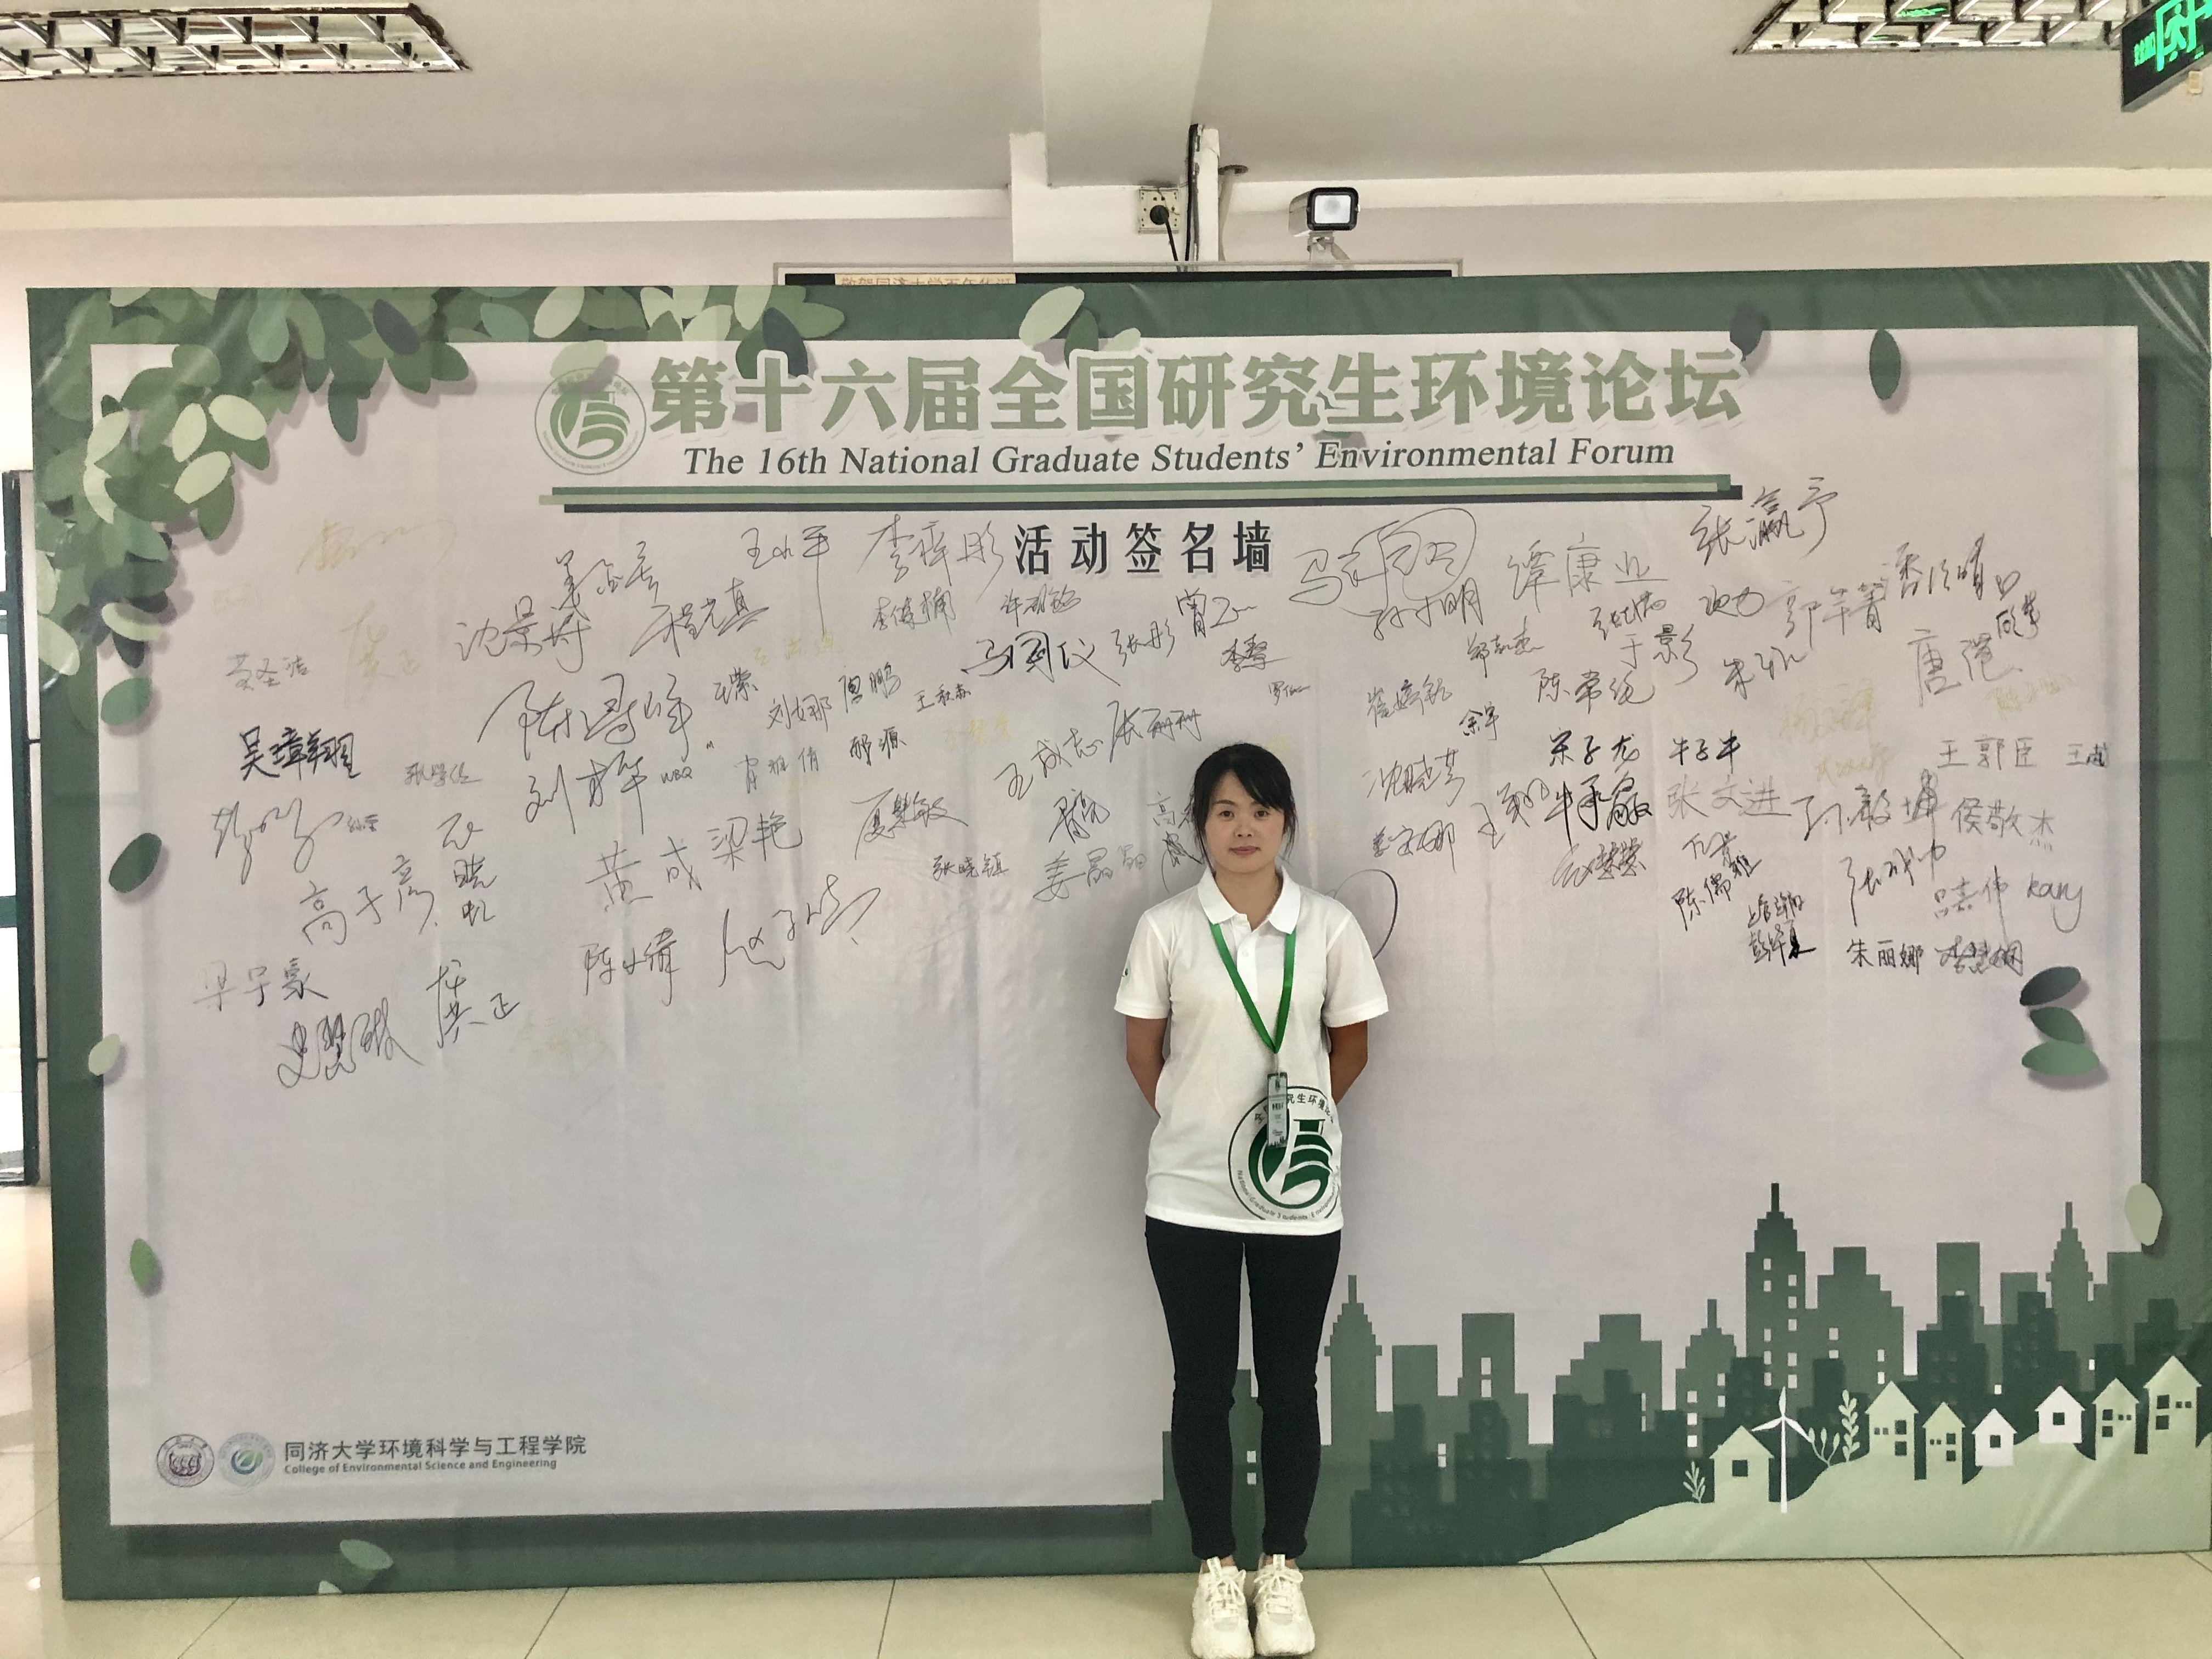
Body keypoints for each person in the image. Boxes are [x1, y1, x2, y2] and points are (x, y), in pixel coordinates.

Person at [1116, 743, 1388, 1659]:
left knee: (1289, 1385)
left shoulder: (1330, 927)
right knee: (1200, 1386)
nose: (1244, 829)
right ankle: (1215, 1572)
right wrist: (1200, 1127)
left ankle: (1281, 1569)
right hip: (1189, 1196)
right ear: (1200, 824)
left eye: (1262, 811)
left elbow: (1351, 1048)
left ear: (1287, 824)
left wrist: (1291, 1133)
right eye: (1226, 811)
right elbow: (1142, 1050)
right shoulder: (1166, 929)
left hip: (1298, 1202)